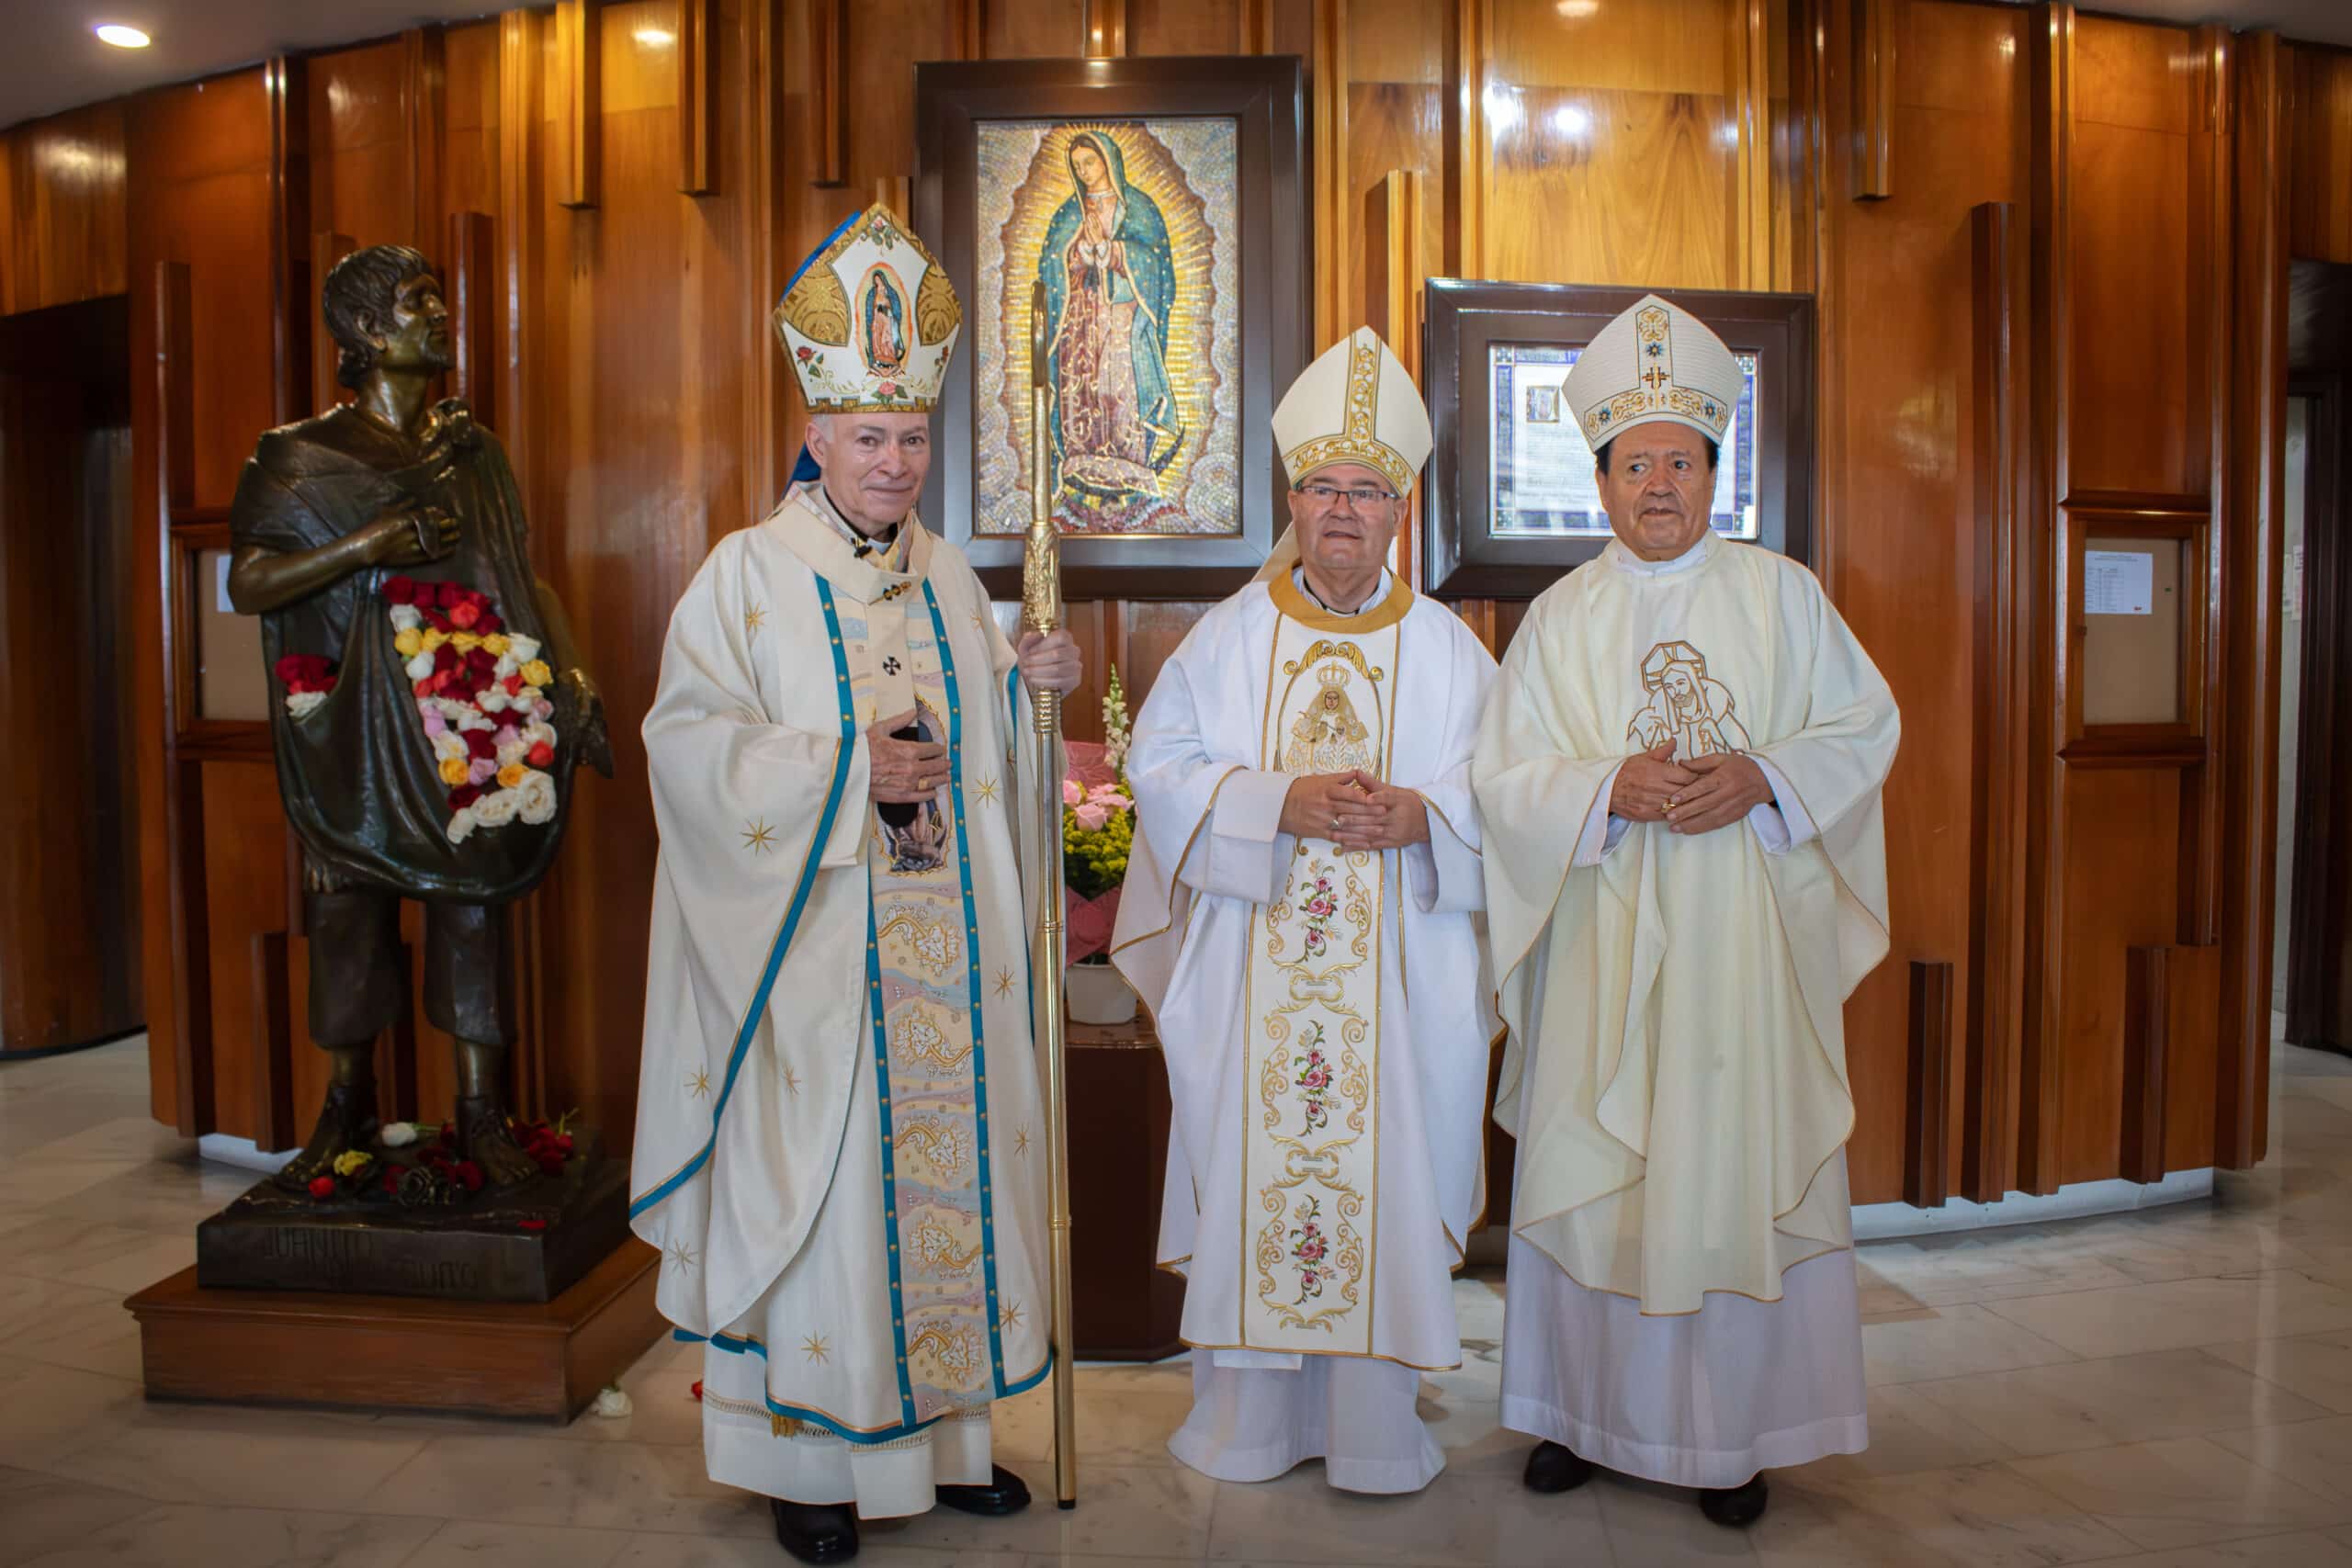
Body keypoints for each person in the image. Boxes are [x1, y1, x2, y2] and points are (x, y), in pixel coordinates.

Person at [628, 204, 1082, 1565]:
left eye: (912, 437)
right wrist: (843, 773)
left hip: (945, 958)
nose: (894, 462)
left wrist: (1025, 687)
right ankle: (810, 1461)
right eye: (868, 437)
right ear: (818, 436)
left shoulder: (951, 579)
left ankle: (944, 1444)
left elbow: (985, 763)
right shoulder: (744, 577)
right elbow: (687, 750)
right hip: (818, 968)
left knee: (952, 1190)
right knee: (829, 1207)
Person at [1474, 294, 1900, 1526]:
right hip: (1604, 944)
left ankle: (1733, 1436)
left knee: (1721, 1166)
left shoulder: (1783, 595)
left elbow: (1863, 726)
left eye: (1680, 459)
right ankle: (1575, 1415)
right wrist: (1611, 784)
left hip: (1736, 952)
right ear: (1598, 480)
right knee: (1599, 1166)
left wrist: (1764, 773)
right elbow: (1503, 780)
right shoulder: (1558, 622)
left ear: (1714, 471)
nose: (1657, 482)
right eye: (1634, 462)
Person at [1113, 327, 1498, 1495]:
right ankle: (1249, 1430)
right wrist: (1278, 805)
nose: (1344, 509)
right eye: (1325, 487)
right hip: (1251, 968)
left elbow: (1507, 796)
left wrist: (1426, 820)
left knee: (1388, 1172)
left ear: (1399, 510)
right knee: (1252, 1165)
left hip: (1404, 976)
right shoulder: (1228, 638)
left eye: (1368, 489)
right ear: (1295, 499)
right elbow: (1160, 770)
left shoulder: (1451, 653)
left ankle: (1378, 1428)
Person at [226, 243, 611, 1190]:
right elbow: (250, 580)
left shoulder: (472, 454)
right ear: (363, 329)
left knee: (473, 905)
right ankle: (344, 1104)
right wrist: (368, 544)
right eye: (416, 301)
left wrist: (569, 674)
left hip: (463, 713)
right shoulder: (296, 456)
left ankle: (481, 1112)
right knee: (349, 912)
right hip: (352, 727)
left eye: (437, 298)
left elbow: (522, 575)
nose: (439, 315)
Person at [1040, 129, 1184, 526]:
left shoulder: (1139, 208)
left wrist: (1114, 252)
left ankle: (1128, 459)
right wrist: (1076, 256)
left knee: (1119, 383)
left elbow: (1157, 267)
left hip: (1123, 312)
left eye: (1091, 162)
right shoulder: (1069, 214)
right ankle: (1082, 454)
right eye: (1077, 166)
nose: (1085, 171)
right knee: (1084, 385)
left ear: (1108, 160)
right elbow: (1051, 267)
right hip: (1080, 315)